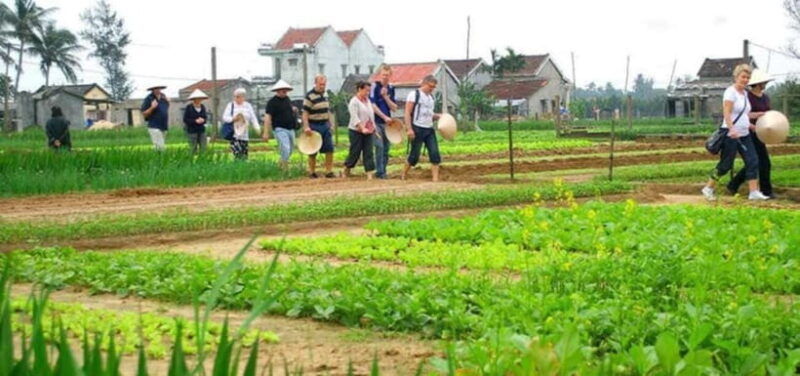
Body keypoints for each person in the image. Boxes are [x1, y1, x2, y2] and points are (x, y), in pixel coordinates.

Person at [701, 64, 769, 201]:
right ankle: (708, 188)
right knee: (725, 165)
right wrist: (732, 129)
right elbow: (727, 112)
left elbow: (745, 114)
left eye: (747, 78)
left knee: (753, 161)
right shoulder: (730, 92)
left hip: (744, 134)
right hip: (730, 134)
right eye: (743, 77)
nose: (745, 80)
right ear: (736, 77)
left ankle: (753, 192)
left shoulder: (744, 94)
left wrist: (752, 124)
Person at [727, 69, 774, 198]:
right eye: (764, 82)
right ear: (758, 83)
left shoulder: (765, 97)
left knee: (755, 161)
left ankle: (733, 184)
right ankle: (766, 191)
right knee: (761, 161)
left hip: (760, 131)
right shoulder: (747, 96)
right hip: (748, 130)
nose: (766, 84)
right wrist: (756, 116)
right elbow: (742, 114)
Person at [401, 75, 442, 182]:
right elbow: (407, 113)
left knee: (434, 153)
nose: (432, 89)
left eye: (434, 87)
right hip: (417, 128)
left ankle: (435, 179)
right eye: (430, 86)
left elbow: (429, 114)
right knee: (414, 155)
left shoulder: (431, 98)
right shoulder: (414, 95)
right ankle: (404, 174)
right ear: (424, 83)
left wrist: (438, 116)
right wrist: (409, 129)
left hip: (429, 129)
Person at [302, 75, 335, 178]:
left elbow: (328, 111)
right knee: (313, 150)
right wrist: (306, 127)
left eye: (324, 84)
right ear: (315, 83)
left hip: (325, 125)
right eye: (320, 84)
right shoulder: (309, 96)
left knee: (329, 148)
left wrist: (331, 124)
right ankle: (312, 172)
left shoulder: (325, 96)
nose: (322, 86)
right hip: (314, 125)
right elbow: (305, 113)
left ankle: (328, 171)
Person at [343, 81, 376, 179]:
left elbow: (371, 115)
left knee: (368, 152)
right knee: (355, 152)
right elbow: (354, 117)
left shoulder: (368, 101)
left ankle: (369, 173)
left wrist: (373, 127)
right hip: (356, 131)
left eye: (369, 91)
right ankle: (347, 168)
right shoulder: (354, 102)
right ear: (359, 89)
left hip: (368, 130)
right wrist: (362, 128)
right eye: (366, 90)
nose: (367, 93)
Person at [370, 64, 398, 179]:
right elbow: (372, 105)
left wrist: (386, 97)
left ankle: (383, 170)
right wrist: (384, 116)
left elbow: (394, 107)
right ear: (379, 75)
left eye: (387, 75)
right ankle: (379, 171)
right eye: (383, 75)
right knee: (379, 146)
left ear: (390, 75)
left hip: (388, 123)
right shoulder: (374, 86)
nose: (385, 77)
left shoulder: (391, 88)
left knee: (386, 147)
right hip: (376, 121)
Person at [264, 79, 297, 169]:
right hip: (279, 129)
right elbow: (267, 117)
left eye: (286, 89)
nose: (285, 91)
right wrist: (266, 132)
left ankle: (280, 164)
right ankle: (285, 168)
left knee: (290, 149)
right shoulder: (272, 102)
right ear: (278, 90)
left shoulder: (287, 100)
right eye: (283, 89)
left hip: (291, 128)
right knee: (285, 148)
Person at [222, 88, 262, 160]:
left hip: (244, 134)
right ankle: (237, 167)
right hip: (234, 133)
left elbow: (253, 118)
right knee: (237, 153)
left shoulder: (248, 106)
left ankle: (243, 168)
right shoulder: (231, 105)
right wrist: (233, 119)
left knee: (244, 154)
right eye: (235, 96)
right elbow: (225, 117)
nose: (236, 98)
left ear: (243, 97)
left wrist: (257, 128)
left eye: (238, 96)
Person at [141, 85, 170, 151]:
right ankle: (160, 159)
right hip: (154, 126)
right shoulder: (149, 99)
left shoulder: (164, 98)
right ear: (152, 90)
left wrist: (168, 102)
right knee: (160, 147)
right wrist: (152, 107)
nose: (158, 90)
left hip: (163, 125)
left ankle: (158, 158)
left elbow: (164, 110)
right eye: (155, 89)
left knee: (159, 146)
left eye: (159, 88)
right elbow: (144, 113)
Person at [183, 89, 209, 154]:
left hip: (201, 130)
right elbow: (185, 119)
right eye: (198, 98)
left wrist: (203, 120)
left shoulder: (202, 107)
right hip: (192, 130)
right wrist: (195, 121)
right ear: (194, 99)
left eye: (200, 99)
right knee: (193, 148)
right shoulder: (189, 107)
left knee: (203, 147)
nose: (199, 100)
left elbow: (205, 118)